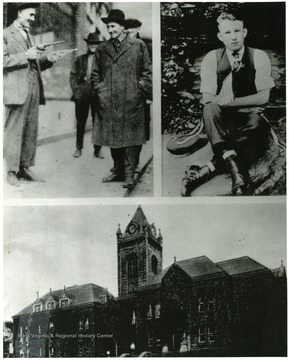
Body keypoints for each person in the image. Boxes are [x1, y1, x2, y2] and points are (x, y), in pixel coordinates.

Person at [181, 11, 274, 196]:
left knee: (257, 127)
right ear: (220, 36)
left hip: (249, 120)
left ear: (245, 32)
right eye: (228, 33)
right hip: (222, 122)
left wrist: (230, 103)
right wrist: (221, 104)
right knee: (209, 108)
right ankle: (238, 176)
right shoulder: (211, 58)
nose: (233, 37)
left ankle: (204, 170)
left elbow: (263, 97)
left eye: (237, 31)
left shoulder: (259, 56)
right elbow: (208, 98)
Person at [91, 9, 152, 189]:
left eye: (113, 26)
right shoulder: (102, 48)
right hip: (108, 100)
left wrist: (139, 90)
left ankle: (129, 174)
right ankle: (117, 170)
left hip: (131, 99)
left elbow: (147, 72)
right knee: (112, 137)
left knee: (131, 139)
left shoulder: (138, 45)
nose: (110, 30)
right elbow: (95, 74)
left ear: (123, 27)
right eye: (108, 27)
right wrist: (100, 91)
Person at [4, 2, 59, 187]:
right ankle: (11, 171)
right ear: (20, 13)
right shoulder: (5, 34)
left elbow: (33, 64)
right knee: (14, 131)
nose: (33, 19)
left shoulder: (28, 35)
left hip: (33, 87)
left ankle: (24, 168)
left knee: (30, 129)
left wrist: (48, 60)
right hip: (17, 89)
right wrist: (26, 55)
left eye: (34, 16)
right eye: (30, 15)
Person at [70, 31, 104, 159]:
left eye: (95, 43)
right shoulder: (80, 59)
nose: (93, 46)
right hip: (82, 93)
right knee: (80, 122)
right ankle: (78, 148)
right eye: (91, 43)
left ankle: (97, 149)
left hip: (97, 94)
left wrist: (102, 91)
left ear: (98, 45)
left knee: (98, 122)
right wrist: (76, 91)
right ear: (88, 44)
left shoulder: (103, 61)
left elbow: (106, 77)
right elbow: (72, 76)